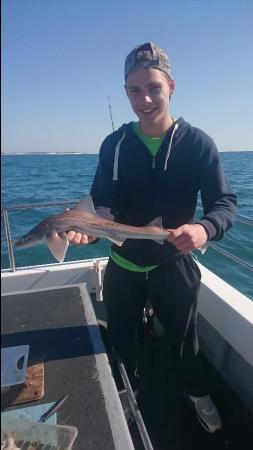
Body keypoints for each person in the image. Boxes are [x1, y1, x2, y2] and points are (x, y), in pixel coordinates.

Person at [67, 42, 237, 433]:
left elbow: (224, 203)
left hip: (173, 265)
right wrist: (85, 231)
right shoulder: (114, 145)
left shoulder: (199, 144)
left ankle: (196, 391)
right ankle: (126, 395)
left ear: (171, 86)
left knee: (184, 341)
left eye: (153, 88)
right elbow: (102, 207)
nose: (144, 99)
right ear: (125, 92)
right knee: (123, 340)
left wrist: (203, 228)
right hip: (123, 267)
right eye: (134, 90)